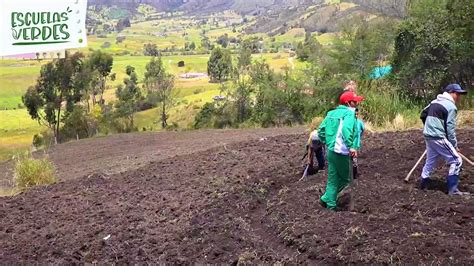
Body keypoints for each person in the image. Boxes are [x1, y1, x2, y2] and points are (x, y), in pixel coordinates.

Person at [318, 91, 364, 210]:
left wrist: (328, 142)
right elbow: (346, 129)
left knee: (332, 178)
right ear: (348, 103)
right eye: (354, 102)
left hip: (331, 151)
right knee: (345, 178)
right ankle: (328, 198)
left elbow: (321, 131)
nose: (356, 103)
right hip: (341, 152)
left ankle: (328, 202)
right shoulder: (349, 114)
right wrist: (351, 146)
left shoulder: (331, 113)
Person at [420, 84, 468, 195]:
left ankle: (424, 182)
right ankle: (453, 189)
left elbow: (423, 114)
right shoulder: (451, 107)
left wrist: (429, 127)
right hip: (438, 136)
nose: (459, 97)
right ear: (450, 93)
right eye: (457, 94)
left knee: (431, 160)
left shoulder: (434, 102)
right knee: (456, 161)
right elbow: (450, 129)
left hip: (428, 135)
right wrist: (454, 146)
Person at [352, 108, 365, 179]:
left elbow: (363, 130)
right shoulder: (350, 122)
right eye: (355, 114)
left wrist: (359, 136)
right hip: (350, 143)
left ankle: (354, 174)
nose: (356, 116)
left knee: (354, 158)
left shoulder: (359, 122)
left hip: (356, 143)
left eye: (357, 114)